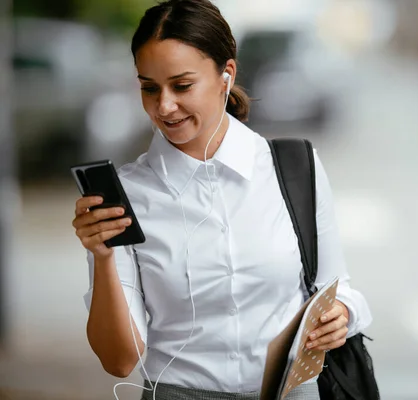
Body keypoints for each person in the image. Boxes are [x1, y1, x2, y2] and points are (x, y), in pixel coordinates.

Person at [71, 1, 372, 399]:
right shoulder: (127, 195)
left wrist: (343, 316)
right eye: (149, 88)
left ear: (225, 75)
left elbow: (339, 287)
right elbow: (120, 361)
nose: (164, 106)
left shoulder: (295, 168)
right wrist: (104, 257)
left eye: (181, 86)